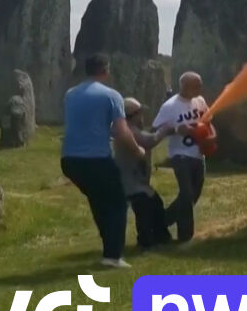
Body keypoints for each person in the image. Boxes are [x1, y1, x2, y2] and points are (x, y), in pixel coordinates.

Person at [61, 53, 146, 269]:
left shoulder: (70, 94)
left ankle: (109, 246)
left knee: (99, 201)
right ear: (106, 70)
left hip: (70, 160)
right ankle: (113, 255)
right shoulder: (112, 96)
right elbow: (121, 130)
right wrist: (137, 150)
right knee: (118, 203)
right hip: (96, 158)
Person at [153, 72, 210, 243]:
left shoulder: (200, 101)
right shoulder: (170, 106)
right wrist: (178, 130)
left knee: (193, 195)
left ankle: (160, 222)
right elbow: (156, 130)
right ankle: (185, 237)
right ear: (185, 86)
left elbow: (207, 119)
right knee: (186, 194)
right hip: (180, 155)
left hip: (199, 155)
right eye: (197, 85)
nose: (200, 89)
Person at [118, 97, 174, 250]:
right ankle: (146, 240)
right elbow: (150, 140)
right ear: (133, 115)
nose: (141, 116)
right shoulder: (127, 130)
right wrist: (166, 129)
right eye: (139, 113)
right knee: (144, 208)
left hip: (137, 180)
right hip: (130, 182)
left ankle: (161, 237)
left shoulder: (130, 128)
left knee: (155, 203)